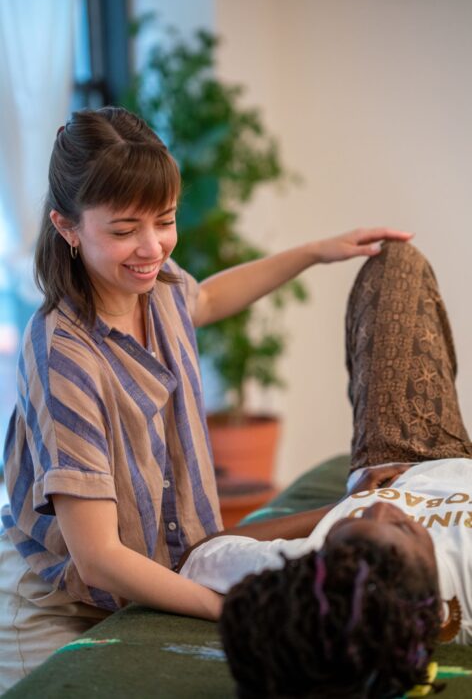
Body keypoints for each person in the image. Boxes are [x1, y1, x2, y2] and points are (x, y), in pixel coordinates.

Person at [0, 106, 411, 693]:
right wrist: (237, 613)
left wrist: (316, 251)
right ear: (66, 226)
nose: (152, 247)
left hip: (152, 579)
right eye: (123, 230)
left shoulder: (157, 285)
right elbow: (98, 560)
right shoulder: (61, 354)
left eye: (164, 221)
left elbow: (209, 300)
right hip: (55, 606)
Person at [179, 240, 472, 699]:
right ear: (424, 609)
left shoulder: (319, 578)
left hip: (404, 458)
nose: (377, 514)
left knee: (395, 262)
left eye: (352, 534)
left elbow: (200, 556)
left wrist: (343, 507)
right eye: (397, 536)